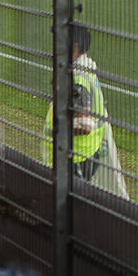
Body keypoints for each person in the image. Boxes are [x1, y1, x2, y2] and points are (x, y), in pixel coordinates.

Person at [46, 28, 128, 198]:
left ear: (75, 46)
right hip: (81, 156)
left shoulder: (78, 78)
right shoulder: (84, 70)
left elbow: (85, 125)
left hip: (74, 159)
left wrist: (58, 128)